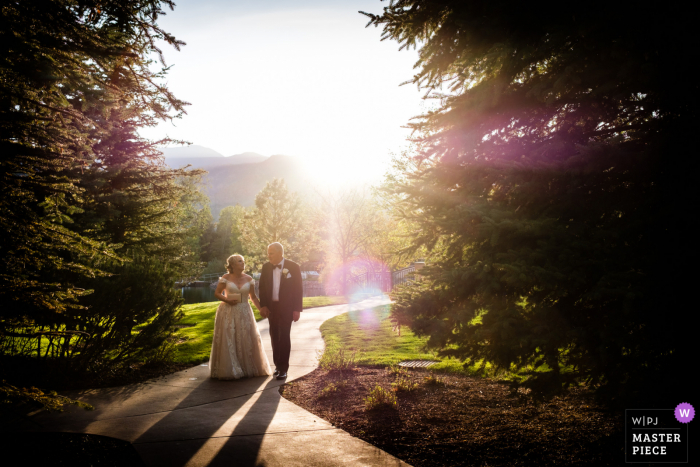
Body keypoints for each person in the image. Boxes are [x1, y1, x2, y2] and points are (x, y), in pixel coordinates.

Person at [209, 254, 272, 380]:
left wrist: (261, 309)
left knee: (245, 338)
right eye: (239, 261)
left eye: (243, 261)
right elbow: (217, 293)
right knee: (229, 338)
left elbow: (253, 297)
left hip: (244, 311)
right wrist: (227, 300)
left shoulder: (249, 279)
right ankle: (232, 368)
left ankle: (245, 367)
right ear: (232, 265)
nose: (243, 263)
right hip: (227, 311)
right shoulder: (226, 278)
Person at [258, 242, 303, 380]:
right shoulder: (266, 267)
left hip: (287, 308)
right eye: (268, 253)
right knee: (274, 336)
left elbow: (298, 289)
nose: (268, 255)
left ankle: (284, 368)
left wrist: (297, 309)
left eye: (271, 253)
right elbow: (262, 288)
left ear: (279, 253)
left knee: (284, 336)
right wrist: (263, 306)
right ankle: (277, 366)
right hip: (272, 308)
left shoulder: (293, 267)